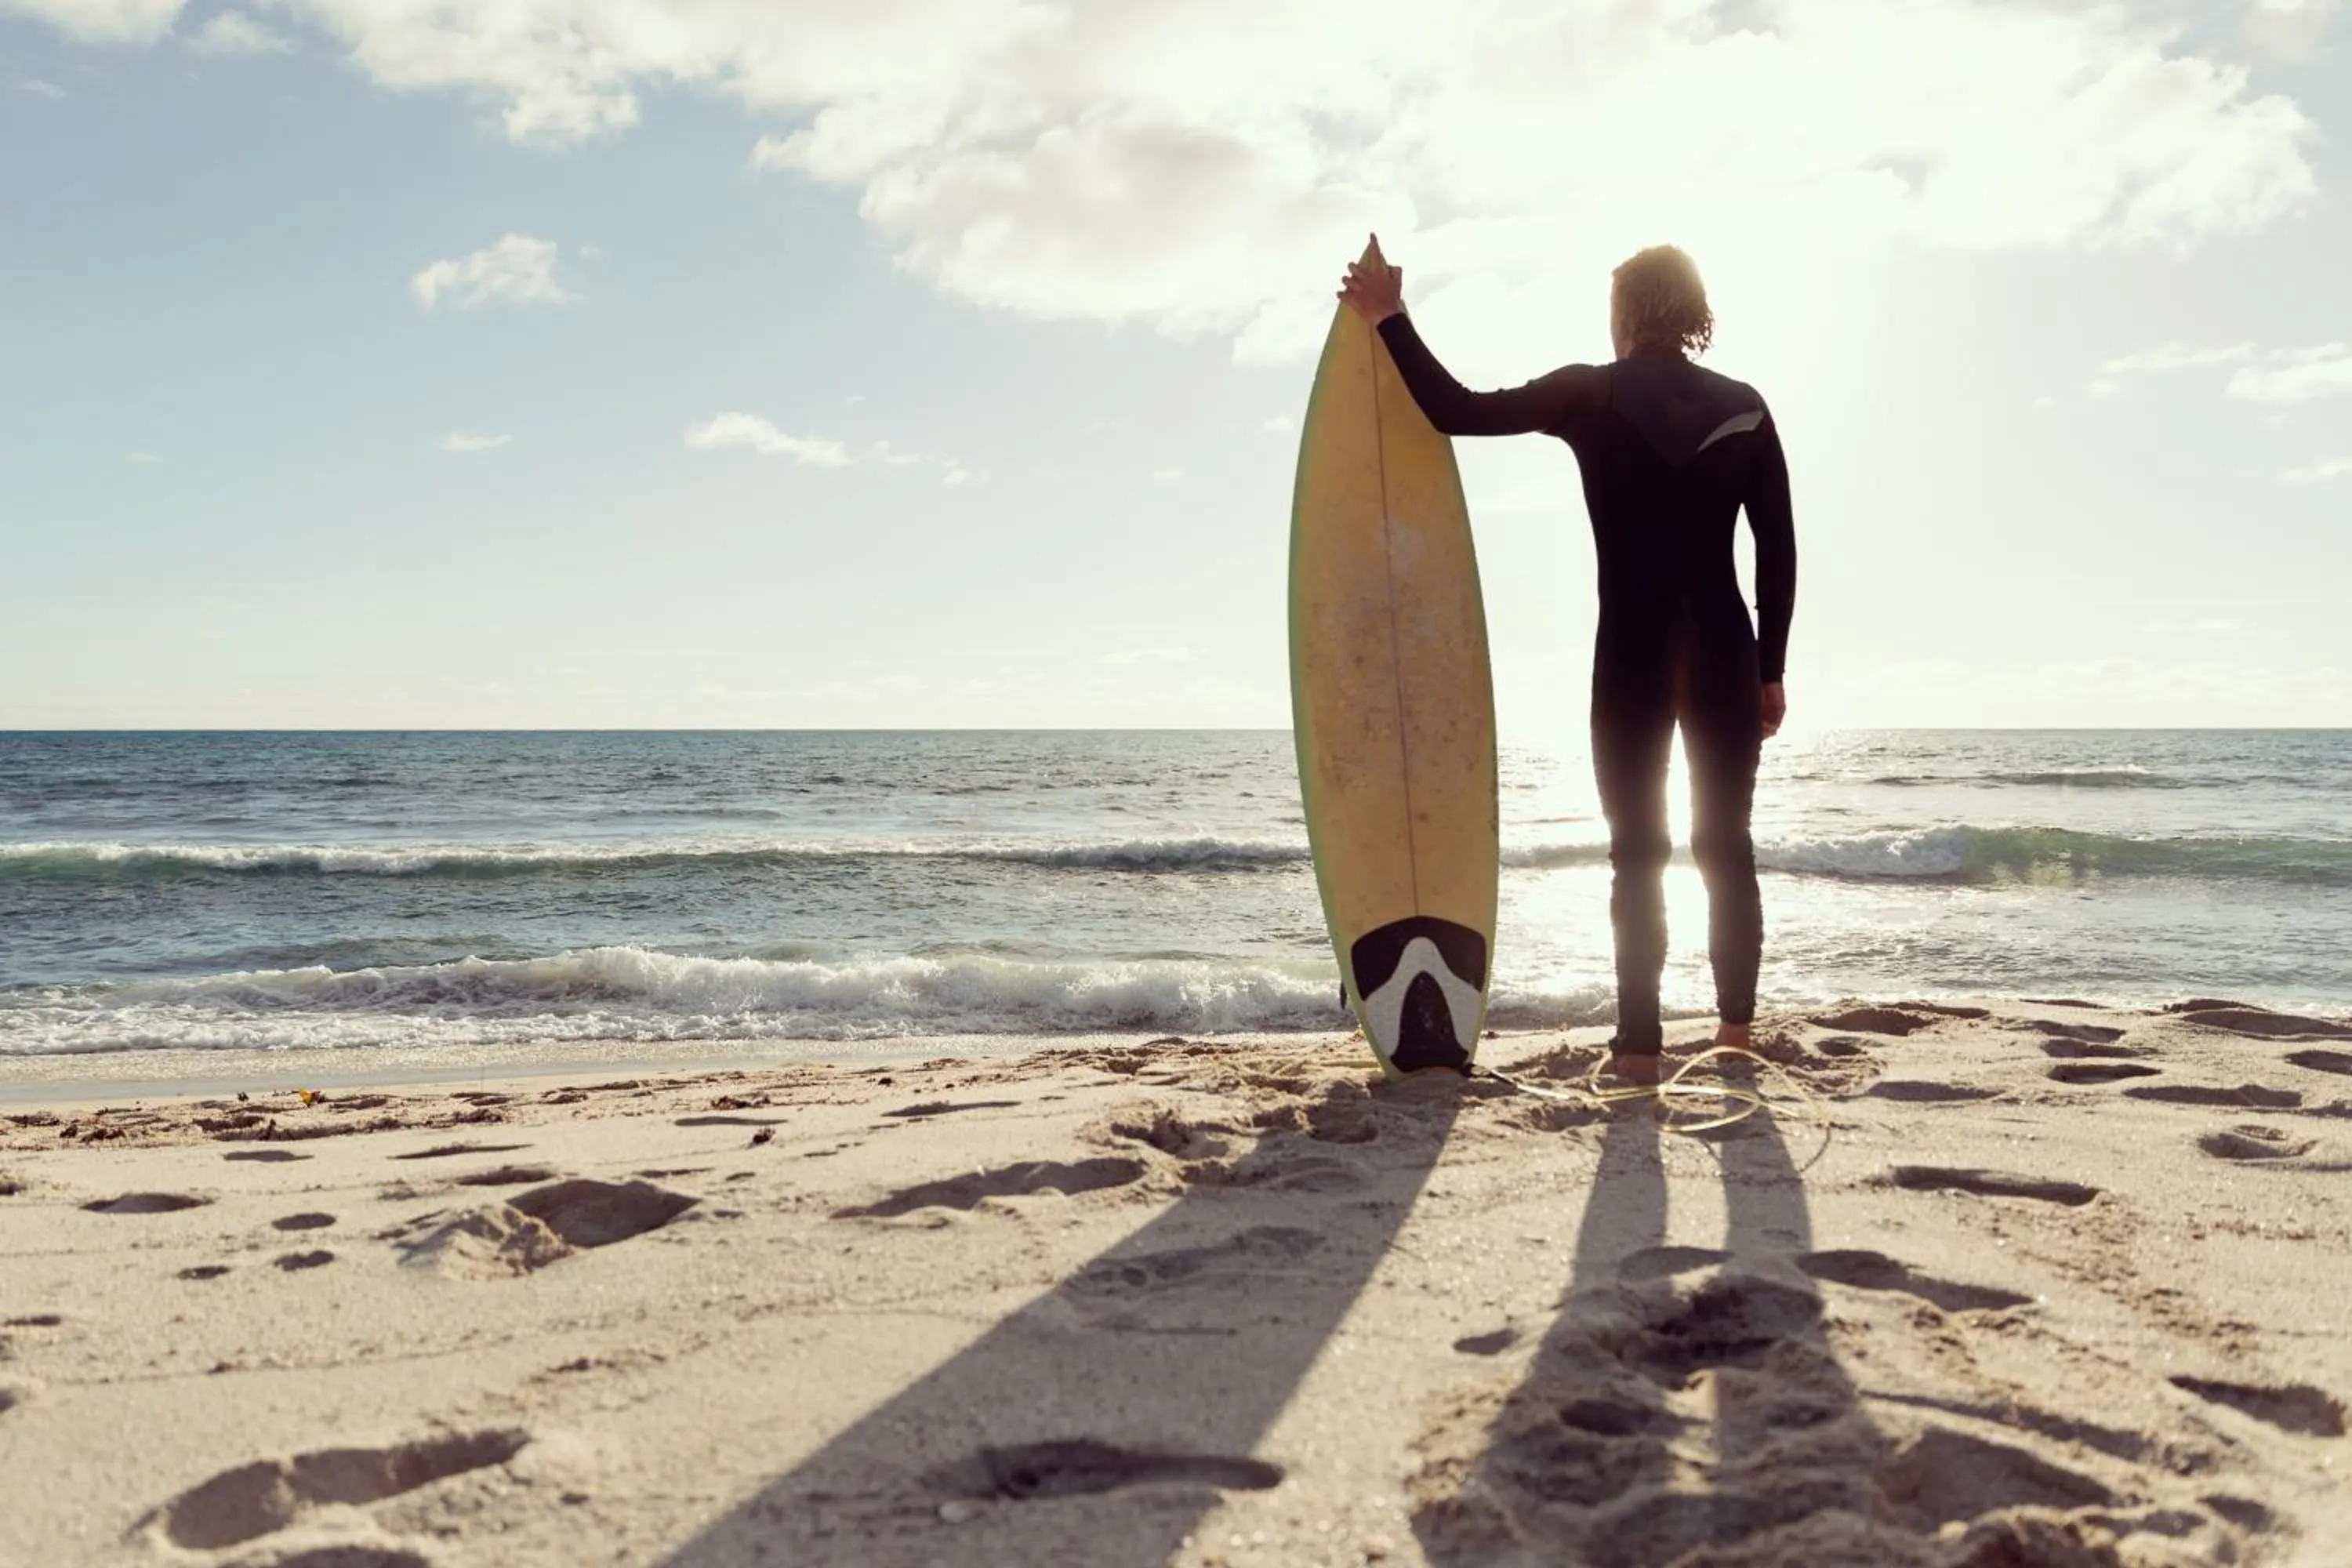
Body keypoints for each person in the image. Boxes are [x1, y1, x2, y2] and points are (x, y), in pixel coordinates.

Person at [1338, 237, 1795, 1087]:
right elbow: (1778, 549)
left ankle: (1640, 1050)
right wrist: (1770, 669)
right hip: (1726, 651)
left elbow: (1456, 410)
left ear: (1626, 314)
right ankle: (1734, 1037)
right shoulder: (1746, 407)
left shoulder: (1592, 390)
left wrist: (1391, 318)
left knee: (1638, 852)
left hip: (1632, 653)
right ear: (1692, 313)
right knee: (1725, 844)